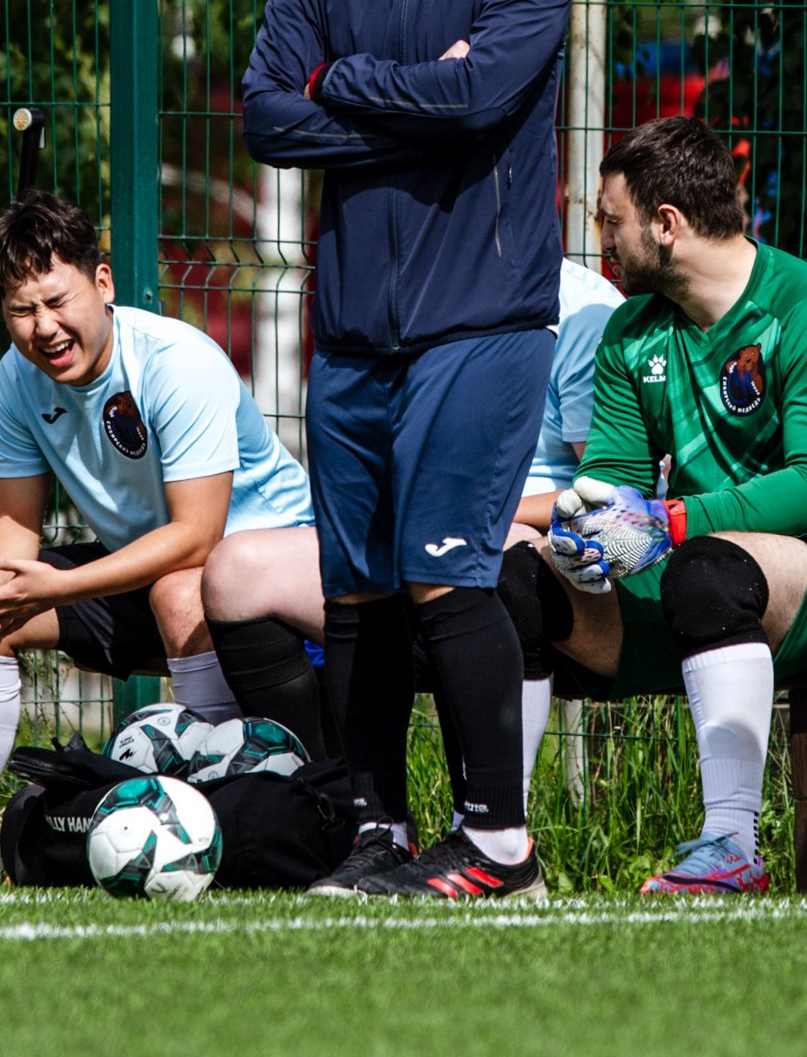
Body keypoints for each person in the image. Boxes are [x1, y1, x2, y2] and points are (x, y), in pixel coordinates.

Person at [242, 0, 573, 900]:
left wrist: (343, 81)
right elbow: (269, 120)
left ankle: (499, 845)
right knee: (359, 590)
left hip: (483, 318)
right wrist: (410, 94)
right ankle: (377, 831)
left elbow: (484, 93)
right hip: (355, 333)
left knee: (446, 570)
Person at [518, 118, 807, 894]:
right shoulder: (632, 331)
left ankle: (731, 844)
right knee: (516, 579)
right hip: (698, 575)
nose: (601, 238)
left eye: (610, 219)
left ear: (666, 225)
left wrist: (667, 524)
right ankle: (501, 843)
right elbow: (613, 478)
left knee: (704, 571)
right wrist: (587, 537)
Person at [0, 194, 316, 842]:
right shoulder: (17, 379)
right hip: (149, 573)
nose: (43, 328)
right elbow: (13, 521)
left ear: (102, 282)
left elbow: (197, 536)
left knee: (178, 588)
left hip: (267, 590)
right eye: (22, 311)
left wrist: (57, 586)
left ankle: (210, 819)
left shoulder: (175, 363)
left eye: (58, 302)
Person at [200, 255, 620, 784]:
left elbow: (605, 492)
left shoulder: (584, 309)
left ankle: (492, 828)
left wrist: (467, 512)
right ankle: (325, 811)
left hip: (518, 546)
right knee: (237, 570)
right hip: (406, 536)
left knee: (487, 553)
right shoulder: (402, 290)